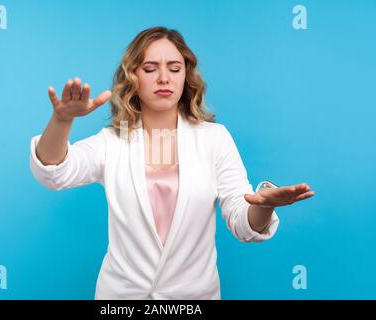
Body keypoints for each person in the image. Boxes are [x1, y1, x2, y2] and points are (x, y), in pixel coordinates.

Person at [29, 26, 315, 299]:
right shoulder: (112, 142)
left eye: (174, 68)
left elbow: (242, 222)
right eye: (150, 69)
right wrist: (62, 119)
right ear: (133, 78)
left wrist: (263, 205)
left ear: (185, 77)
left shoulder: (214, 139)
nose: (164, 78)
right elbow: (55, 173)